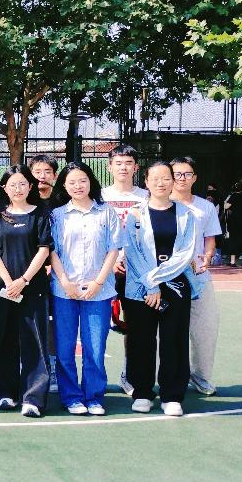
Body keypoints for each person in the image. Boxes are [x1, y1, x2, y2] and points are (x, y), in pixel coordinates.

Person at [123, 162, 200, 417]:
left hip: (175, 286)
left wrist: (156, 279)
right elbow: (132, 253)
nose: (160, 183)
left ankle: (172, 395)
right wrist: (151, 284)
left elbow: (185, 253)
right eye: (154, 178)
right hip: (141, 290)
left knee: (174, 341)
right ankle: (142, 392)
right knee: (140, 341)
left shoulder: (186, 214)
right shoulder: (135, 215)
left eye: (166, 178)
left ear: (173, 181)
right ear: (145, 182)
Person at [49, 162, 122, 416]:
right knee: (65, 348)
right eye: (72, 182)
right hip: (64, 291)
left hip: (98, 291)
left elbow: (113, 249)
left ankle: (93, 397)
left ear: (91, 181)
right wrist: (65, 282)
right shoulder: (57, 215)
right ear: (64, 186)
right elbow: (52, 251)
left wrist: (98, 282)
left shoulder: (106, 212)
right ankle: (71, 397)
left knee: (95, 347)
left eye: (82, 180)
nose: (78, 186)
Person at [0, 165, 52, 417]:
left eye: (23, 184)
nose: (18, 189)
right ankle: (6, 393)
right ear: (4, 187)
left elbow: (44, 249)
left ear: (30, 186)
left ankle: (33, 397)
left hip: (33, 288)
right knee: (3, 338)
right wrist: (8, 281)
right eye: (13, 184)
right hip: (3, 288)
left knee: (35, 340)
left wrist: (23, 280)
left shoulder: (41, 214)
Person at [170, 157, 222, 396]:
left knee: (205, 327)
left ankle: (201, 376)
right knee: (162, 332)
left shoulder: (205, 207)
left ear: (195, 178)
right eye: (177, 174)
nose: (182, 178)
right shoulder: (159, 204)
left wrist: (208, 256)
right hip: (166, 278)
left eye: (187, 174)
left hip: (198, 277)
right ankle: (159, 377)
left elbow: (210, 239)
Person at [102, 144, 149, 396]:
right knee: (97, 326)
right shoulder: (100, 195)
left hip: (136, 272)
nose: (123, 167)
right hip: (103, 271)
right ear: (109, 167)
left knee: (135, 326)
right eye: (118, 163)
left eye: (128, 163)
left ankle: (129, 374)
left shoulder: (146, 196)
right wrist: (110, 260)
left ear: (136, 167)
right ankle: (94, 377)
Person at [28, 154, 59, 392]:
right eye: (37, 171)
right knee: (29, 321)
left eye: (48, 171)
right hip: (30, 273)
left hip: (59, 273)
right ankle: (27, 367)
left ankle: (54, 367)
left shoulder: (62, 203)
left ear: (55, 176)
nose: (42, 176)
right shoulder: (24, 202)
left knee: (54, 322)